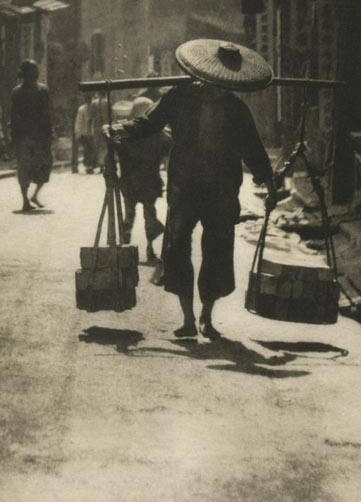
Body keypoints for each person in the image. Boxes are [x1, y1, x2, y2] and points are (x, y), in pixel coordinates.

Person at [109, 39, 276, 339]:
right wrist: (121, 130)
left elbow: (252, 148)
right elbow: (150, 123)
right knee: (176, 248)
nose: (219, 88)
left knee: (217, 251)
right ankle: (187, 318)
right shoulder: (180, 97)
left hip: (222, 190)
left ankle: (206, 318)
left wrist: (268, 178)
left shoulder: (236, 109)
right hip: (185, 186)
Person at [117, 94, 172, 262]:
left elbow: (113, 151)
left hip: (129, 182)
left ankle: (124, 249)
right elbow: (168, 158)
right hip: (150, 182)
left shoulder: (124, 134)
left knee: (129, 215)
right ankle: (149, 250)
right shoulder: (160, 136)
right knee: (150, 215)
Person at [10, 60, 53, 211]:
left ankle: (28, 199)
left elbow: (14, 117)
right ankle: (27, 199)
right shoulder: (41, 91)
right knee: (35, 168)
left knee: (27, 169)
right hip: (34, 137)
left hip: (26, 137)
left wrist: (13, 138)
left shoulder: (18, 92)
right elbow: (46, 116)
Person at [74, 93, 96, 173]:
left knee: (91, 150)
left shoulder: (93, 107)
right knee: (88, 150)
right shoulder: (82, 109)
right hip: (86, 133)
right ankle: (89, 167)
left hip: (91, 132)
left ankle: (91, 166)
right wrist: (78, 132)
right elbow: (79, 121)